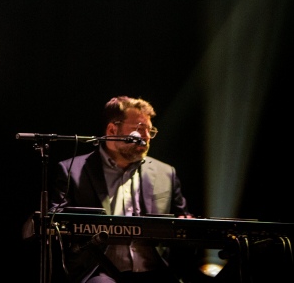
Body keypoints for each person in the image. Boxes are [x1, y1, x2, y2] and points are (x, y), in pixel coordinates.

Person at [48, 96, 193, 283]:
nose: (146, 137)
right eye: (139, 129)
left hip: (155, 271)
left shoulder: (165, 172)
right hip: (98, 271)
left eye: (150, 130)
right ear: (112, 129)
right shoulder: (72, 170)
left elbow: (184, 222)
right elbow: (55, 225)